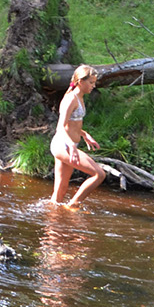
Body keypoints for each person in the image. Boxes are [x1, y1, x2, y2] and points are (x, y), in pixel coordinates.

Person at [51, 64, 106, 207]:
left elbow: (72, 124)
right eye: (91, 82)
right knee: (99, 174)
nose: (93, 86)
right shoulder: (71, 99)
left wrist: (84, 134)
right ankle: (73, 206)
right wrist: (71, 146)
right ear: (80, 82)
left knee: (60, 193)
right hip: (63, 145)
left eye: (94, 82)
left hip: (70, 145)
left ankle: (53, 224)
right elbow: (60, 127)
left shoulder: (79, 97)